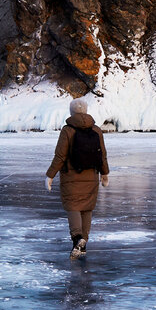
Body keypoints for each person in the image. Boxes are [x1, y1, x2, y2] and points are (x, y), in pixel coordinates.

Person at [45, 97, 109, 259]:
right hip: (91, 175)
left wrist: (50, 175)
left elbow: (60, 156)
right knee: (87, 208)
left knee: (73, 207)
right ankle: (83, 244)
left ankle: (77, 239)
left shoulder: (67, 130)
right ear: (86, 111)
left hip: (71, 176)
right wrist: (105, 173)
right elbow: (102, 154)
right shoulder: (96, 130)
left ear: (71, 112)